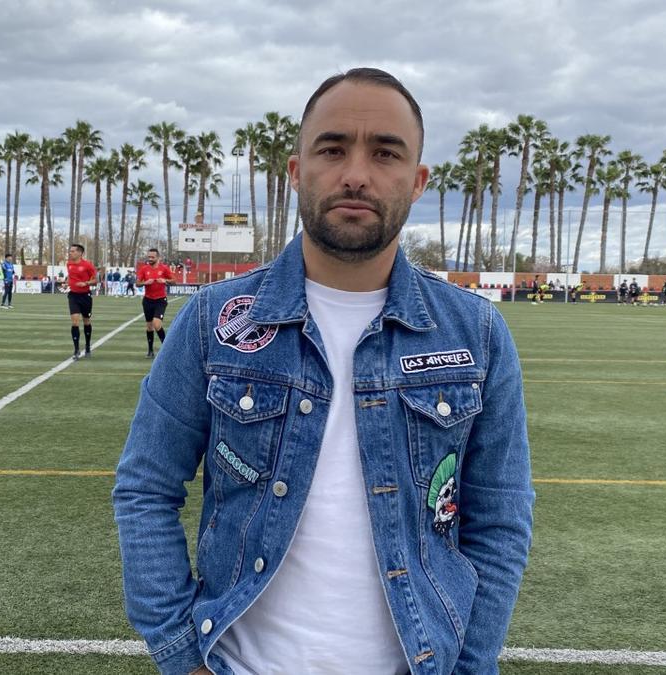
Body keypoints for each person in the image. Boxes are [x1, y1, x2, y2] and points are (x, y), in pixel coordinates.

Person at [113, 67, 533, 675]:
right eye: (332, 149)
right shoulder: (212, 320)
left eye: (385, 153)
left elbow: (500, 522)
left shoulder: (478, 335)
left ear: (417, 182)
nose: (356, 174)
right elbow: (145, 489)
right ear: (296, 170)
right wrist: (183, 658)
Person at [137, 248, 175, 357]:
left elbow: (174, 281)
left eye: (152, 257)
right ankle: (150, 351)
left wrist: (165, 281)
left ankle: (166, 348)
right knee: (149, 326)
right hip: (148, 300)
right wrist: (145, 282)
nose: (150, 259)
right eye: (149, 257)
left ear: (158, 258)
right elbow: (137, 283)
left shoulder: (164, 269)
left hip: (160, 300)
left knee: (156, 323)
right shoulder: (144, 269)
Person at [66, 243, 97, 359]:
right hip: (73, 295)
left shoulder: (87, 265)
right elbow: (70, 276)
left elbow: (95, 281)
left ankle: (88, 345)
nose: (70, 253)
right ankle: (76, 349)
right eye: (70, 251)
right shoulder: (68, 264)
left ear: (80, 253)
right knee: (75, 322)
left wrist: (85, 283)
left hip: (85, 296)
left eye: (73, 251)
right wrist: (68, 282)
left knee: (86, 321)